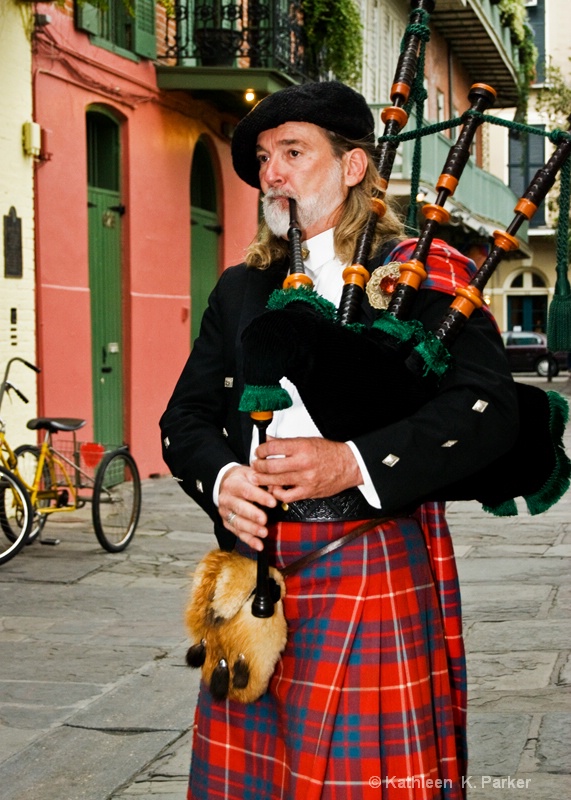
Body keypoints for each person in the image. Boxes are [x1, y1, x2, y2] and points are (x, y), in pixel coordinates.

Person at [160, 81, 518, 800]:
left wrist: (348, 462)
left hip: (365, 553)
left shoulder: (420, 272)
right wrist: (226, 480)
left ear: (353, 166)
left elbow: (485, 409)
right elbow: (184, 421)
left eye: (293, 152)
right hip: (254, 571)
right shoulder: (241, 287)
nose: (273, 173)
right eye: (264, 157)